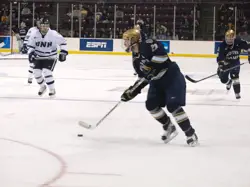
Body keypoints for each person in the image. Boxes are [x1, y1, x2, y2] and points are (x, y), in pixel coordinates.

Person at [121, 28, 198, 146]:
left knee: (172, 105)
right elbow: (143, 77)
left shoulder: (148, 44)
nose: (124, 43)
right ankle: (169, 126)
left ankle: (190, 133)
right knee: (151, 105)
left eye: (126, 40)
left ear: (134, 40)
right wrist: (133, 90)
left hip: (171, 76)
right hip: (157, 81)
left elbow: (163, 57)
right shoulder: (135, 59)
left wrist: (152, 66)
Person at [27, 17, 68, 97]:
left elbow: (63, 43)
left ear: (49, 26)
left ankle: (52, 89)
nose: (45, 27)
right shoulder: (34, 34)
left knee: (46, 72)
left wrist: (63, 52)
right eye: (43, 25)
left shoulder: (53, 34)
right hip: (39, 57)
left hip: (50, 57)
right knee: (36, 73)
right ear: (40, 26)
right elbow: (30, 46)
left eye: (46, 25)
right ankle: (43, 87)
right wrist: (31, 53)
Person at [217, 29, 250, 99]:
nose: (229, 41)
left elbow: (249, 47)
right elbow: (220, 58)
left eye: (230, 39)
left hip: (235, 62)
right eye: (227, 39)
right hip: (226, 63)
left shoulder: (239, 41)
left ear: (234, 38)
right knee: (222, 79)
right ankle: (229, 82)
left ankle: (237, 93)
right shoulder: (222, 45)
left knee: (235, 76)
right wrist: (221, 66)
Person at [23, 18, 41, 84]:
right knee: (31, 65)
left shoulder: (45, 30)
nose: (38, 24)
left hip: (40, 49)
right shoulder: (32, 29)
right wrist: (25, 44)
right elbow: (27, 37)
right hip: (31, 49)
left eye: (40, 22)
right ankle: (30, 77)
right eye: (38, 22)